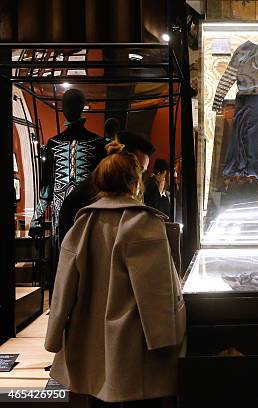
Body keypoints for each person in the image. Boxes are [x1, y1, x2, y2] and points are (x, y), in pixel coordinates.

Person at [45, 140, 186, 407]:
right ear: (135, 183)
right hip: (136, 343)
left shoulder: (82, 225)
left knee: (96, 396)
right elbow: (157, 295)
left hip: (88, 339)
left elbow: (63, 288)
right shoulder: (143, 223)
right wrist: (169, 339)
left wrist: (54, 338)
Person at [57, 130, 156, 246]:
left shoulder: (99, 191)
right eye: (139, 169)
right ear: (125, 162)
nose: (139, 178)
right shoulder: (88, 199)